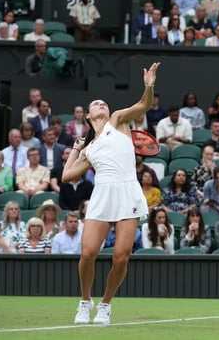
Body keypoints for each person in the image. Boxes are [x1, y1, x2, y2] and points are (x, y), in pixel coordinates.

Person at [61, 62, 159, 325]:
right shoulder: (89, 148)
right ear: (88, 115)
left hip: (128, 192)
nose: (102, 104)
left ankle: (105, 304)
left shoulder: (117, 119)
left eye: (103, 102)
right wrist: (76, 149)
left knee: (121, 257)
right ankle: (85, 301)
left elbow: (143, 106)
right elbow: (66, 176)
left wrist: (148, 86)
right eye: (96, 103)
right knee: (88, 253)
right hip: (102, 196)